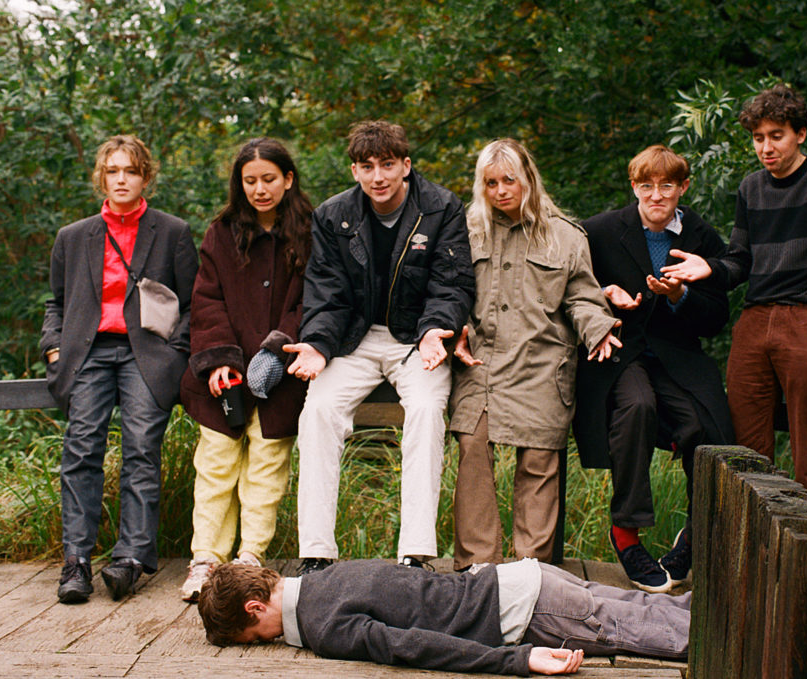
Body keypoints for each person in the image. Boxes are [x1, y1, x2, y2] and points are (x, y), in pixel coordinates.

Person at [661, 84, 807, 513]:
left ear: (800, 134)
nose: (766, 148)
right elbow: (739, 261)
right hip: (756, 321)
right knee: (745, 448)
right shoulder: (751, 187)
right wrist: (709, 268)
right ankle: (753, 541)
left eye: (777, 136)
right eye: (758, 138)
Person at [283, 121, 474, 573]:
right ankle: (316, 553)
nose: (378, 177)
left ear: (405, 165)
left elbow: (452, 284)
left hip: (418, 337)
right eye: (367, 167)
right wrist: (318, 345)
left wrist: (436, 330)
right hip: (355, 337)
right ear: (354, 171)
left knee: (426, 411)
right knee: (318, 412)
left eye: (387, 165)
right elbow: (326, 293)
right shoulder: (333, 216)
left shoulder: (442, 208)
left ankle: (415, 552)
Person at [40, 134, 199, 603]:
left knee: (142, 450)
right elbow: (56, 303)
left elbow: (194, 304)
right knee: (81, 449)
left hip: (144, 355)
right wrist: (53, 348)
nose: (122, 179)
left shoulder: (172, 231)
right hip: (86, 354)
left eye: (131, 170)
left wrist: (175, 353)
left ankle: (131, 558)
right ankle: (76, 561)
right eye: (113, 171)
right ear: (101, 177)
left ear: (145, 176)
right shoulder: (73, 236)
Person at [449, 139, 620, 570]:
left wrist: (598, 329)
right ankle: (477, 567)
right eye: (491, 183)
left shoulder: (565, 236)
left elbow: (583, 297)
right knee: (472, 445)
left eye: (509, 180)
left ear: (528, 178)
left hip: (542, 363)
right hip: (482, 362)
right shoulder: (467, 230)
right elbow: (448, 291)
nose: (500, 190)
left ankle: (532, 570)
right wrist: (453, 330)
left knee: (539, 460)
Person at [574, 145, 734, 593]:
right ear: (634, 187)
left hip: (677, 355)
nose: (656, 195)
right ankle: (626, 533)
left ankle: (695, 537)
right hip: (619, 350)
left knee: (705, 428)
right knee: (638, 407)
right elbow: (569, 284)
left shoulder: (702, 236)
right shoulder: (600, 231)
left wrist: (680, 296)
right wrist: (605, 293)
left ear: (683, 187)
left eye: (667, 186)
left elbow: (717, 317)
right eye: (646, 186)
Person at [178, 138, 314, 601]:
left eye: (269, 179)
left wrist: (278, 349)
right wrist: (219, 360)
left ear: (288, 179)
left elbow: (312, 300)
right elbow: (206, 299)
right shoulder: (221, 232)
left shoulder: (310, 231)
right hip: (225, 377)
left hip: (283, 373)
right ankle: (205, 559)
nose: (260, 189)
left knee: (267, 467)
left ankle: (250, 557)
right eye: (250, 180)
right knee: (215, 465)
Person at [197, 559, 690, 676]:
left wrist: (519, 660)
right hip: (523, 575)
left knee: (681, 637)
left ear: (255, 608)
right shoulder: (328, 575)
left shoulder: (324, 626)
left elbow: (415, 646)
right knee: (664, 611)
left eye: (255, 638)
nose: (266, 641)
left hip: (529, 611)